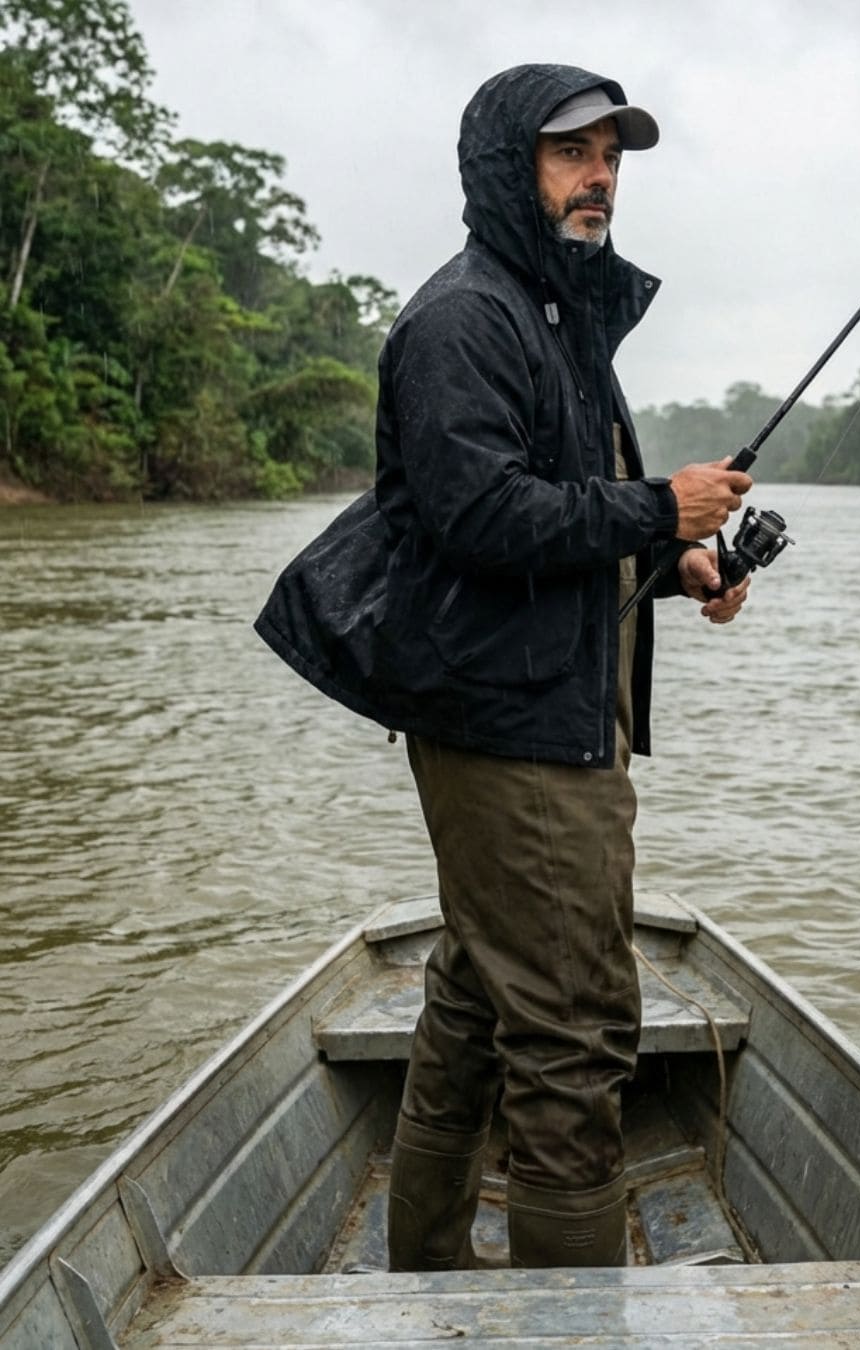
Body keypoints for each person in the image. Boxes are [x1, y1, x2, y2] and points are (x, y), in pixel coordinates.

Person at [255, 63, 752, 1270]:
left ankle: (425, 1264)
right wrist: (653, 506)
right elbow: (480, 516)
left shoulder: (555, 314)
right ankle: (570, 1316)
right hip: (515, 735)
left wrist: (678, 556)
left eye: (613, 158)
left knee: (477, 1006)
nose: (600, 180)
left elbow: (571, 509)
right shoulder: (463, 319)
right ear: (505, 166)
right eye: (572, 154)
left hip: (552, 716)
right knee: (578, 1038)